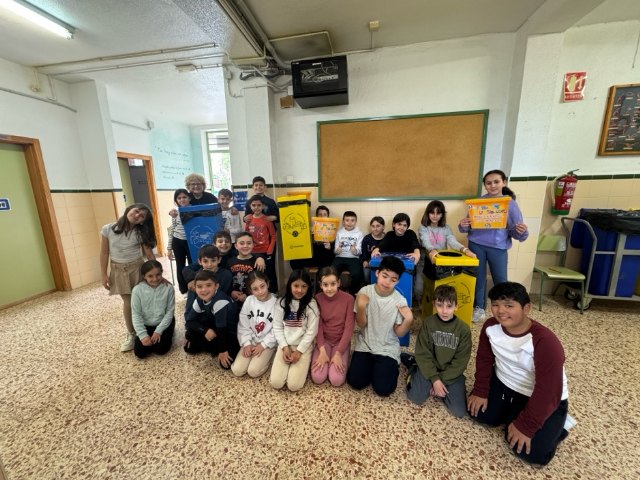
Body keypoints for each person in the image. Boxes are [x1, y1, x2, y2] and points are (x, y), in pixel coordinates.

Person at [467, 282, 570, 466]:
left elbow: (548, 390)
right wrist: (480, 391)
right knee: (479, 414)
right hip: (505, 385)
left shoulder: (545, 342)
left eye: (509, 305)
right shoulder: (490, 327)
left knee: (531, 452)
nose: (501, 311)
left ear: (526, 308)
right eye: (495, 304)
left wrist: (526, 425)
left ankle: (559, 424)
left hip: (541, 396)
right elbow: (484, 359)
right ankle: (515, 414)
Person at [458, 170, 529, 323]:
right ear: (485, 185)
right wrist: (463, 225)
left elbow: (516, 231)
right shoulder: (478, 203)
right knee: (478, 278)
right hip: (476, 245)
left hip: (498, 247)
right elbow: (467, 226)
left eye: (496, 182)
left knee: (501, 280)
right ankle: (479, 308)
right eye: (489, 183)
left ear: (504, 182)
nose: (493, 185)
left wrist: (522, 232)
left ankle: (505, 309)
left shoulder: (510, 204)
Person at [346, 256, 413, 397]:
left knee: (383, 389)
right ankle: (373, 367)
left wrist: (409, 320)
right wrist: (361, 307)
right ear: (377, 273)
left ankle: (391, 365)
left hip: (387, 348)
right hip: (365, 345)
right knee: (356, 382)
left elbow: (399, 333)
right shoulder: (365, 292)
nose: (387, 282)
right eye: (385, 276)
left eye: (393, 279)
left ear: (398, 281)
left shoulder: (399, 300)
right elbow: (361, 324)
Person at [404, 284, 471, 417]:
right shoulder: (428, 323)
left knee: (458, 411)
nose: (444, 311)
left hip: (451, 372)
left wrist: (442, 381)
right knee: (415, 398)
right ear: (434, 304)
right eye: (440, 305)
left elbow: (461, 361)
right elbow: (423, 353)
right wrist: (434, 379)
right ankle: (413, 366)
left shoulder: (463, 329)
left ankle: (442, 384)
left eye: (449, 306)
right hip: (430, 367)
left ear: (456, 306)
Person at [100, 203, 156, 352]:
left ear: (142, 222)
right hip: (118, 270)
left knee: (141, 301)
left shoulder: (140, 232)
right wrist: (104, 274)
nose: (137, 215)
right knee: (128, 302)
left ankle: (147, 328)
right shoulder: (108, 229)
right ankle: (132, 334)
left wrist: (157, 274)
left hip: (137, 268)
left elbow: (149, 254)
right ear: (129, 209)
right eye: (136, 211)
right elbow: (104, 253)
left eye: (141, 216)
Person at [270, 269, 319, 392]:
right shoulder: (281, 302)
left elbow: (311, 331)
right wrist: (284, 347)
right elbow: (277, 327)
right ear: (290, 285)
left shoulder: (311, 304)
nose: (300, 290)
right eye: (296, 286)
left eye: (304, 286)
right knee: (276, 383)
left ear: (308, 287)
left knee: (294, 385)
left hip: (303, 346)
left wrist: (299, 351)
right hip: (285, 344)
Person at [184, 270, 240, 369]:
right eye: (199, 286)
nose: (204, 290)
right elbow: (189, 321)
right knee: (189, 335)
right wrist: (205, 330)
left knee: (226, 365)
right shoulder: (199, 300)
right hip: (215, 328)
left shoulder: (220, 301)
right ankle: (213, 348)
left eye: (208, 285)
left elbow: (222, 329)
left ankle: (215, 348)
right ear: (195, 288)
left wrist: (223, 351)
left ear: (216, 286)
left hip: (231, 333)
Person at [310, 267, 355, 387]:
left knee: (336, 380)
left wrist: (339, 353)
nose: (329, 288)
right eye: (325, 285)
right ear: (320, 285)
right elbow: (318, 327)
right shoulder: (317, 299)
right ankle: (325, 354)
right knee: (317, 377)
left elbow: (349, 328)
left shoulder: (349, 299)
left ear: (339, 283)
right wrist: (322, 350)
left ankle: (338, 355)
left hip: (341, 342)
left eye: (333, 284)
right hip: (324, 341)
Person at [230, 271, 278, 378]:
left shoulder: (276, 303)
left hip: (267, 342)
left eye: (262, 286)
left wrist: (263, 345)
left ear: (267, 284)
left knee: (253, 371)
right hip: (251, 340)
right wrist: (247, 343)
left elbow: (277, 328)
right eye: (255, 289)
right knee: (237, 370)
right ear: (250, 290)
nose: (260, 291)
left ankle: (271, 354)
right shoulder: (249, 300)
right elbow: (243, 324)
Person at [419, 200, 476, 280]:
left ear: (442, 215)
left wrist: (464, 249)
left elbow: (452, 241)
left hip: (442, 261)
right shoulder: (423, 227)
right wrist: (432, 250)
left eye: (438, 213)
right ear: (427, 214)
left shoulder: (446, 228)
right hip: (427, 261)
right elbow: (425, 241)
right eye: (432, 213)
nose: (435, 216)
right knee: (422, 286)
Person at [131, 260, 175, 359]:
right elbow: (136, 314)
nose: (155, 279)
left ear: (162, 273)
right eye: (150, 276)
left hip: (163, 323)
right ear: (144, 276)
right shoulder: (137, 290)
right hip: (146, 324)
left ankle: (169, 332)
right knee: (140, 353)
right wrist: (143, 335)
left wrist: (158, 331)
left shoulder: (168, 288)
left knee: (161, 350)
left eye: (158, 275)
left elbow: (169, 312)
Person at [182, 245, 233, 317]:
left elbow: (225, 297)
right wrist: (188, 318)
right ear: (200, 262)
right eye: (205, 261)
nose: (209, 265)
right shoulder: (195, 277)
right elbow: (191, 302)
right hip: (201, 314)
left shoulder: (226, 275)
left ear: (219, 260)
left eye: (213, 260)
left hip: (220, 313)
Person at [244, 195, 278, 292]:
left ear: (263, 206)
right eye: (254, 205)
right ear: (250, 206)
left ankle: (273, 292)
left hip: (265, 251)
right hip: (253, 252)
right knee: (256, 274)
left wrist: (270, 250)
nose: (256, 207)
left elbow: (273, 236)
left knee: (268, 273)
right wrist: (248, 249)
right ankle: (258, 292)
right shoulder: (249, 219)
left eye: (259, 205)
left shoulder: (267, 219)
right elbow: (246, 235)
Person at [290, 205, 335, 271]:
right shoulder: (312, 229)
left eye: (325, 215)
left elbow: (333, 251)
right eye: (320, 214)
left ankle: (320, 276)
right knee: (293, 262)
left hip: (326, 257)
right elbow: (304, 247)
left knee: (326, 263)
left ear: (328, 217)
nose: (322, 216)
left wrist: (329, 247)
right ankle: (303, 276)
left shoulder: (332, 229)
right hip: (314, 257)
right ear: (316, 216)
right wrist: (310, 236)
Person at [227, 232, 266, 307]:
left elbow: (262, 283)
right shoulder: (229, 262)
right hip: (235, 301)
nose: (245, 246)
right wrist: (231, 292)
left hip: (254, 301)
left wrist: (248, 295)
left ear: (253, 245)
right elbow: (228, 281)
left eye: (249, 243)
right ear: (236, 246)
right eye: (241, 243)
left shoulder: (258, 262)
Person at [331, 211, 364, 295]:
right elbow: (335, 251)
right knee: (332, 272)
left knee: (357, 274)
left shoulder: (359, 234)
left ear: (356, 222)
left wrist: (354, 250)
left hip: (353, 258)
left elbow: (359, 251)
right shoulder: (339, 233)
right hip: (339, 257)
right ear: (343, 222)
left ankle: (352, 292)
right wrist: (338, 250)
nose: (349, 223)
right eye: (347, 220)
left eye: (352, 220)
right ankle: (337, 292)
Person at [167, 188, 192, 296]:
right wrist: (169, 248)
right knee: (180, 265)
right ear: (176, 200)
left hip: (191, 242)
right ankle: (184, 290)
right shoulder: (175, 213)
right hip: (178, 241)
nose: (182, 200)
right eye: (179, 198)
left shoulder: (195, 210)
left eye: (184, 197)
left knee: (192, 264)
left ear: (189, 198)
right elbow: (172, 230)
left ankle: (193, 287)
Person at [360, 216, 385, 284]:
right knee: (367, 276)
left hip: (383, 262)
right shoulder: (367, 238)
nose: (375, 229)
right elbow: (363, 253)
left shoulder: (386, 238)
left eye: (378, 226)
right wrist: (364, 261)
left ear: (383, 227)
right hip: (369, 262)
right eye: (373, 226)